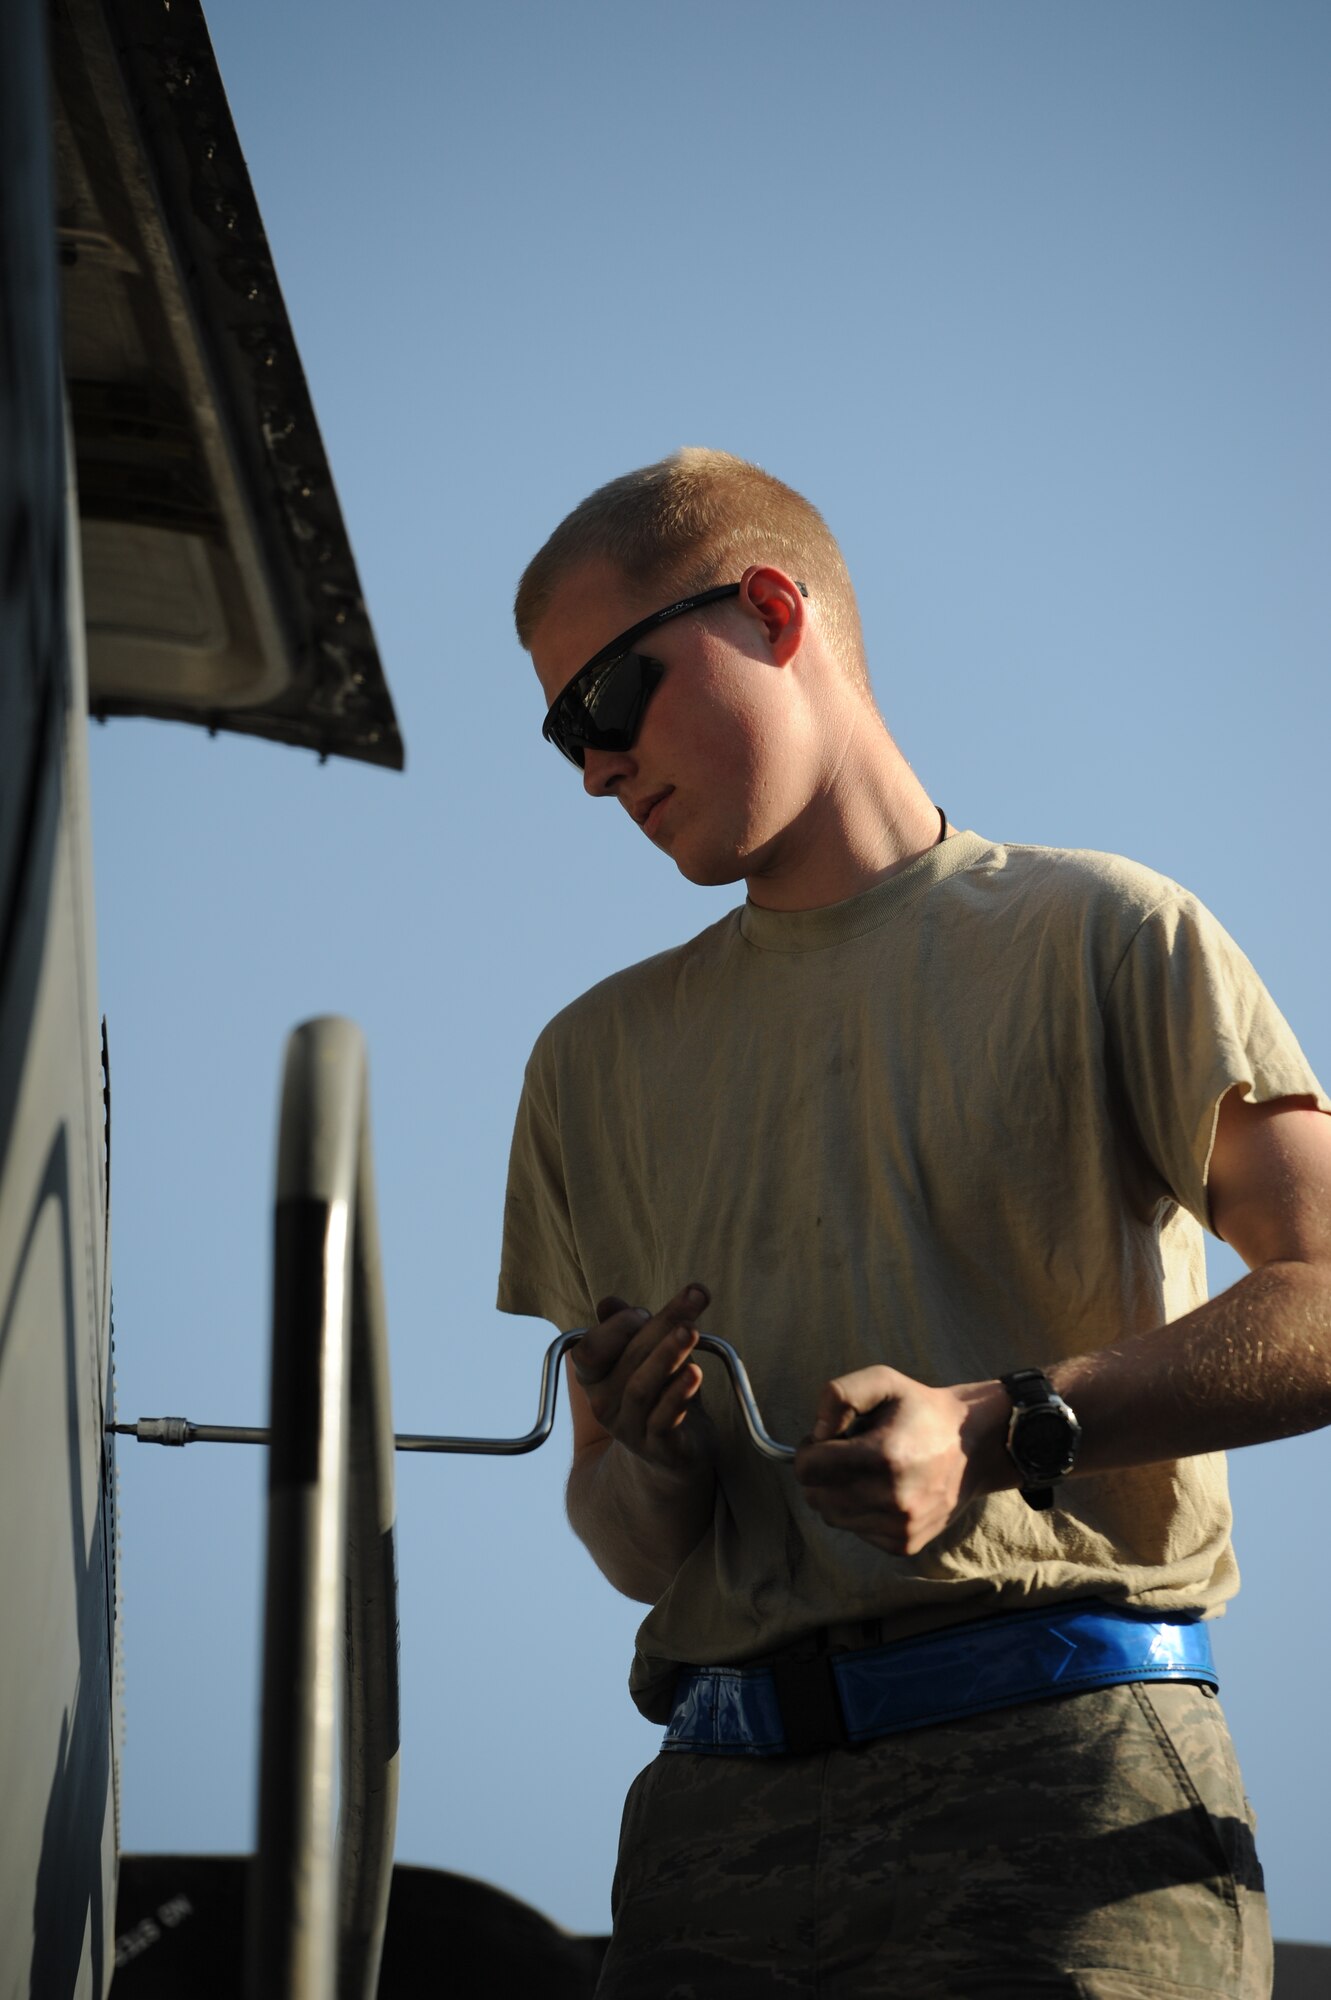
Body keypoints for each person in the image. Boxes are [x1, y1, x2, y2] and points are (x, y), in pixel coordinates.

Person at [497, 448, 1331, 1999]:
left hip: (1067, 1792)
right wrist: (651, 1456)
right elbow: (622, 1537)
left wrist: (1005, 1424)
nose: (596, 770)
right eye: (562, 741)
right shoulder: (587, 1066)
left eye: (606, 702)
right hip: (708, 1835)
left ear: (767, 607)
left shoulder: (1109, 933)